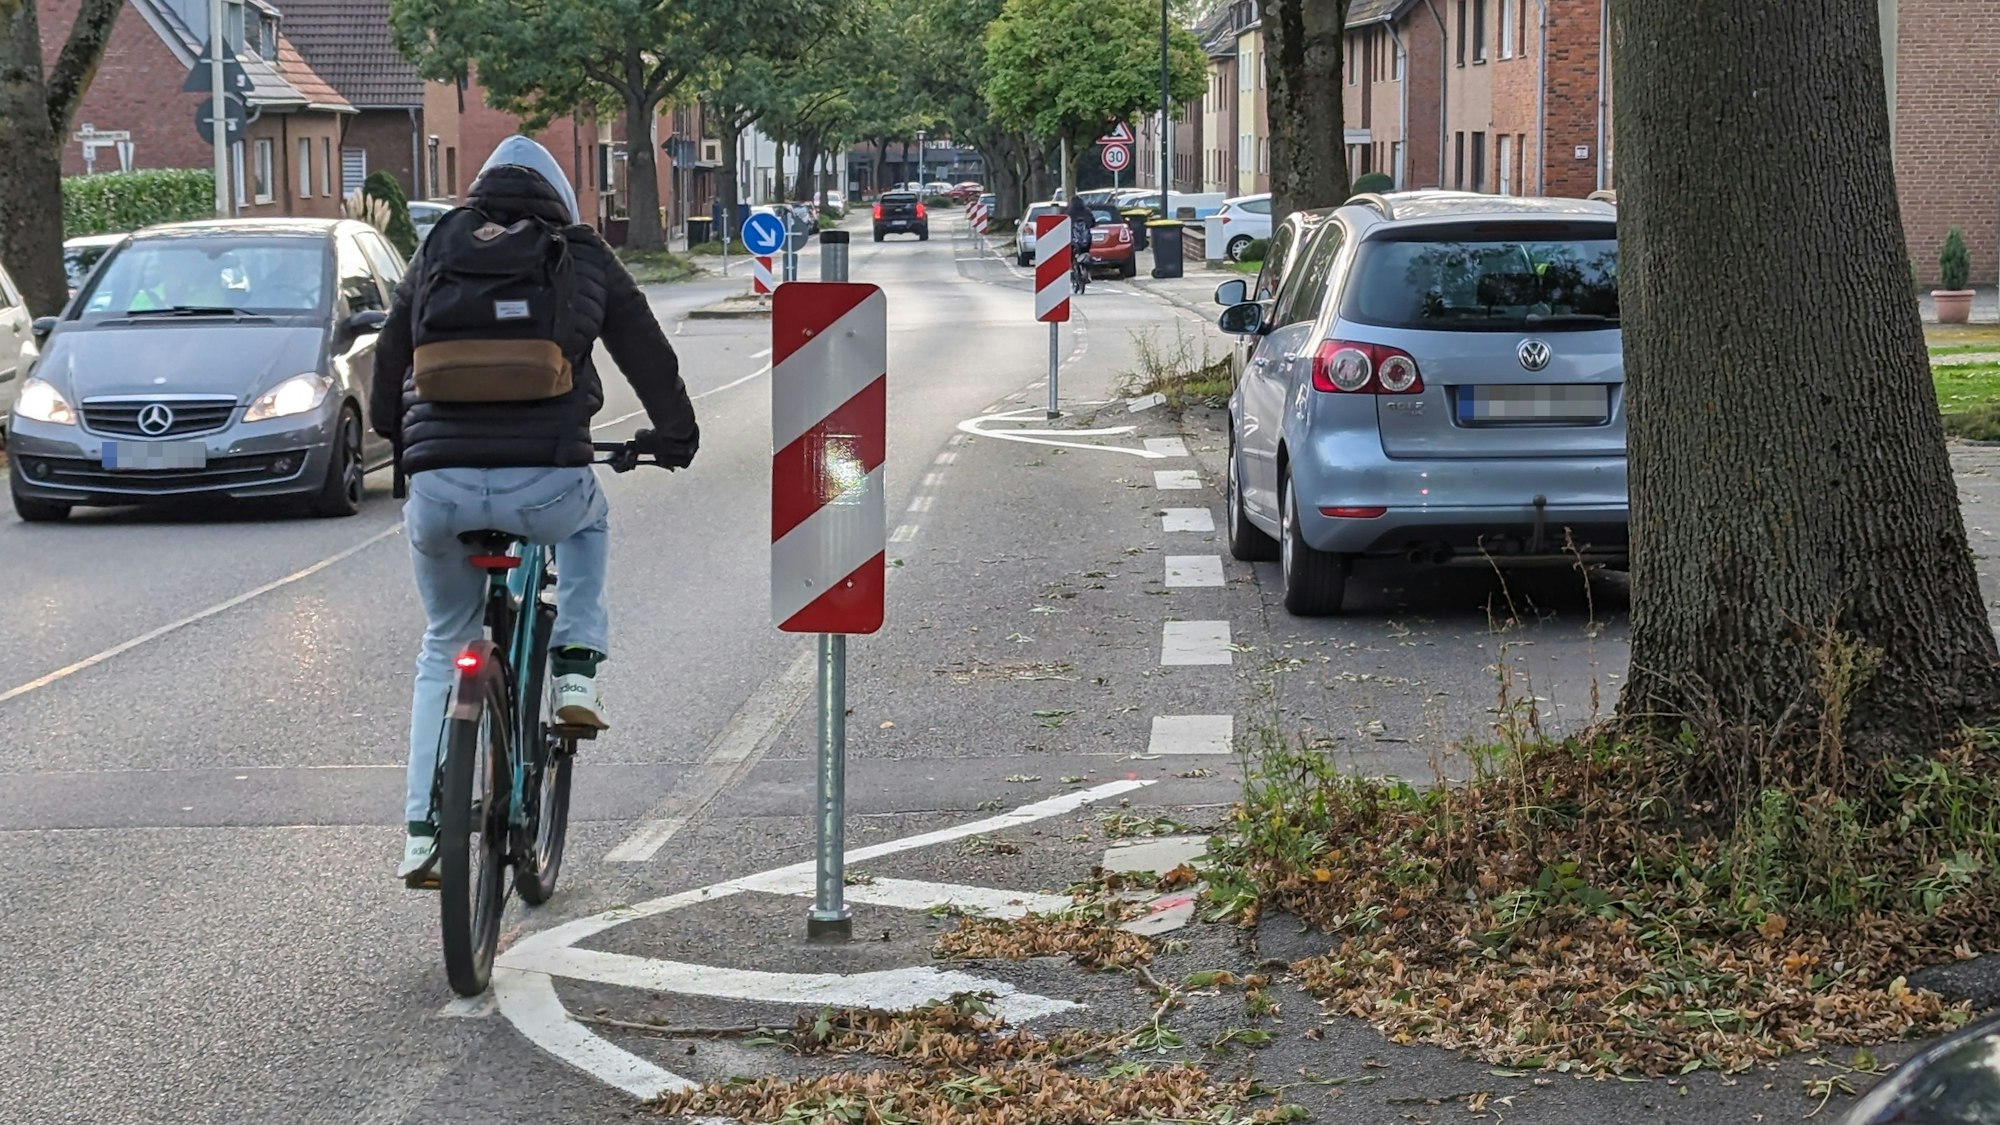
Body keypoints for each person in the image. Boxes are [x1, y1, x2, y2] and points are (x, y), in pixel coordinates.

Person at [371, 136, 700, 883]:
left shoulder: (439, 247)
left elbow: (392, 352)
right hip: (546, 484)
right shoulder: (581, 254)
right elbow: (645, 348)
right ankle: (577, 667)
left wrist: (402, 444)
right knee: (590, 520)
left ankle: (424, 833)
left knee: (441, 645)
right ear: (561, 197)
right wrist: (674, 434)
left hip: (439, 488)